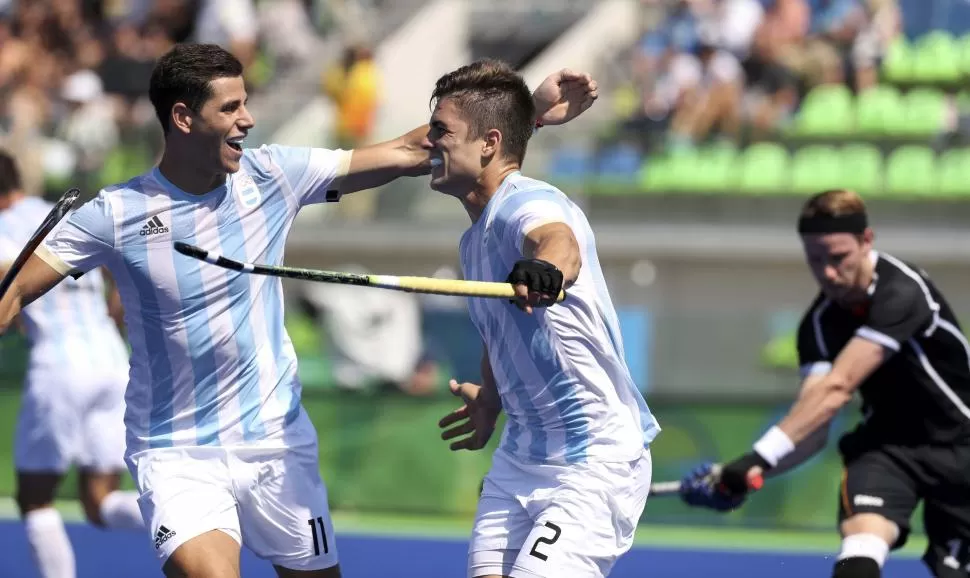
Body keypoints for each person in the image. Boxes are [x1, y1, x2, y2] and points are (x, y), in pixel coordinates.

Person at [0, 42, 599, 578]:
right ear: (183, 119)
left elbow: (416, 147)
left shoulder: (272, 175)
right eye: (231, 108)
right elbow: (15, 292)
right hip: (177, 449)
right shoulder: (116, 212)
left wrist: (527, 112)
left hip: (276, 443)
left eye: (246, 104)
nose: (248, 119)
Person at [431, 59, 660, 578]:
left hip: (592, 460)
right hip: (520, 459)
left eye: (441, 132)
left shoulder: (526, 203)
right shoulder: (473, 240)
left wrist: (545, 269)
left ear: (488, 144)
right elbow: (501, 331)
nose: (429, 144)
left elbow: (559, 242)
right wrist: (491, 397)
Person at [679, 189, 970, 578]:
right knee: (860, 546)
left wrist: (757, 457)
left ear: (867, 241)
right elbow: (812, 427)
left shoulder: (903, 291)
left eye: (838, 258)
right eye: (815, 260)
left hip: (962, 445)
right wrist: (743, 477)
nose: (828, 273)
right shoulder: (817, 326)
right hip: (887, 450)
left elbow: (837, 389)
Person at [0, 150, 144, 578]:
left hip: (60, 367)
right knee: (100, 503)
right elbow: (119, 269)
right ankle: (204, 520)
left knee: (34, 497)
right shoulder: (59, 214)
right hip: (111, 361)